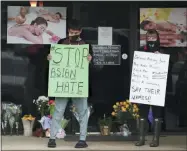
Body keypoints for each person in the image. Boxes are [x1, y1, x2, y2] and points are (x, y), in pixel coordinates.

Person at [47, 19, 92, 148]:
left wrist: (90, 59)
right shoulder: (61, 43)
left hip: (79, 85)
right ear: (68, 31)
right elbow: (53, 60)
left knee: (82, 112)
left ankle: (82, 139)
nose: (74, 34)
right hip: (63, 83)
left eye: (76, 32)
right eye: (72, 32)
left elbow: (93, 67)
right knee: (58, 111)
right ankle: (52, 138)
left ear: (81, 31)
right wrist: (50, 58)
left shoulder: (86, 45)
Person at [135, 29, 167, 147]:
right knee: (142, 112)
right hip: (143, 86)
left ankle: (155, 139)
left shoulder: (163, 51)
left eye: (153, 38)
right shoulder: (140, 50)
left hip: (157, 87)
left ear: (157, 38)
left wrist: (161, 57)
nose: (151, 40)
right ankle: (141, 138)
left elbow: (168, 68)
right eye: (149, 38)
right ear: (146, 38)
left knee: (157, 113)